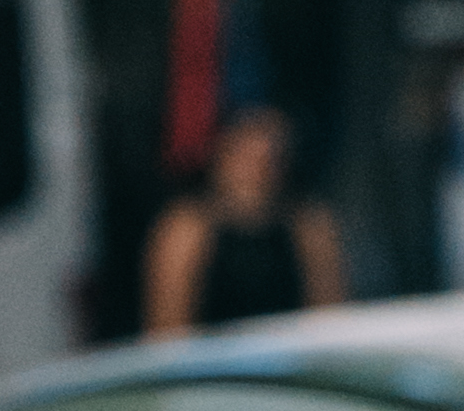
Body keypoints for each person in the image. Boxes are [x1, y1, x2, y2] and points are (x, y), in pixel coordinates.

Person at [141, 101, 351, 339]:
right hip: (208, 368)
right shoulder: (185, 227)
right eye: (245, 153)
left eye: (270, 158)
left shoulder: (310, 225)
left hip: (289, 360)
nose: (256, 169)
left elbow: (330, 323)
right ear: (220, 154)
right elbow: (166, 335)